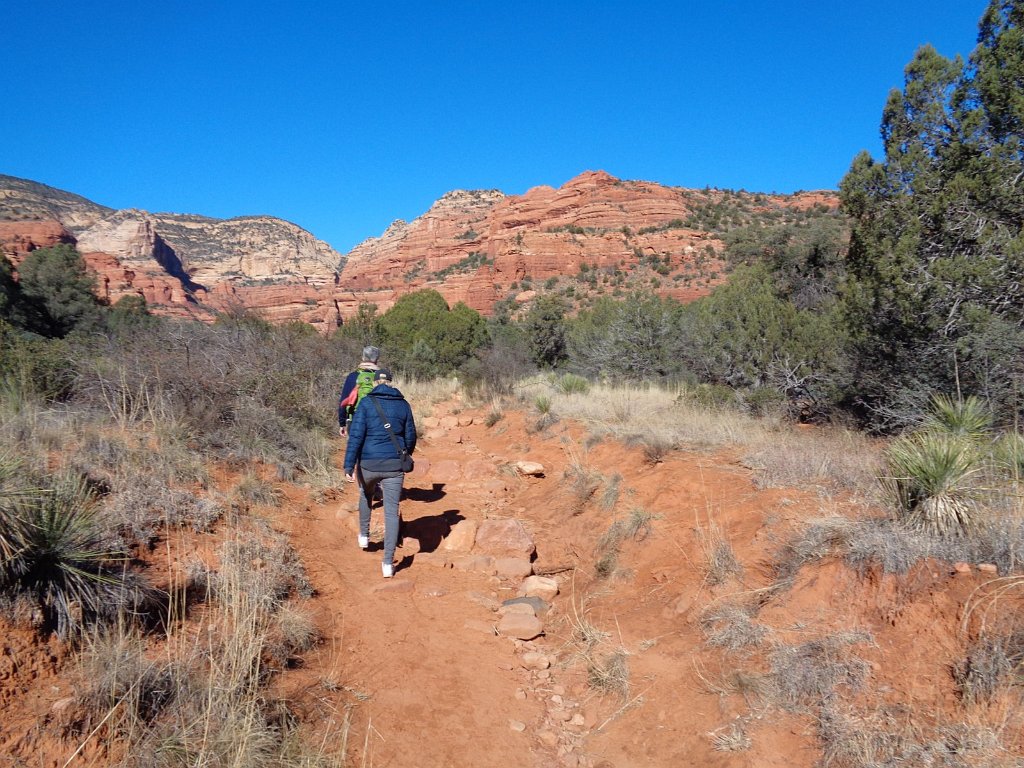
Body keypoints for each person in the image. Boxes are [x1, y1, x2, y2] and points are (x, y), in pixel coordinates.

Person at [343, 369, 416, 578]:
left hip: (368, 464)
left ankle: (364, 536)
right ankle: (387, 563)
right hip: (394, 466)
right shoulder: (403, 405)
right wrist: (404, 454)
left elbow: (355, 437)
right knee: (391, 512)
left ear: (375, 383)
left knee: (366, 494)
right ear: (392, 383)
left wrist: (349, 465)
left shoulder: (366, 404)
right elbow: (411, 436)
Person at [338, 345, 381, 436]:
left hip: (356, 419)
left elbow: (345, 400)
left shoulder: (353, 376)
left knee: (355, 447)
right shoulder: (382, 377)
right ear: (377, 359)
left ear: (363, 358)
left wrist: (342, 423)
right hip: (378, 421)